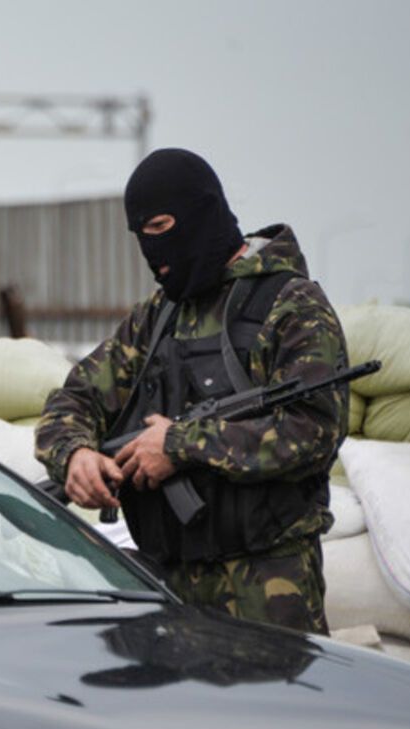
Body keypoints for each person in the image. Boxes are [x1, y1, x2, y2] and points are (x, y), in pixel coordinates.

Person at [36, 147, 347, 634]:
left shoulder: (290, 305)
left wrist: (182, 445)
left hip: (268, 590)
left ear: (201, 212)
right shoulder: (156, 318)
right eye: (141, 236)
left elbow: (314, 431)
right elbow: (72, 401)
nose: (152, 249)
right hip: (169, 590)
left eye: (161, 228)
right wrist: (75, 456)